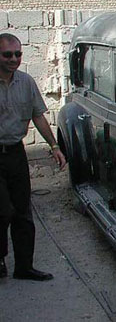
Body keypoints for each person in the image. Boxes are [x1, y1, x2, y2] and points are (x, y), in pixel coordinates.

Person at [0, 33, 66, 281]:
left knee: (22, 211)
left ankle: (24, 266)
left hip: (16, 153)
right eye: (7, 55)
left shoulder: (26, 82)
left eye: (18, 54)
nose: (13, 59)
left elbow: (38, 115)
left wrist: (54, 146)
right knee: (2, 211)